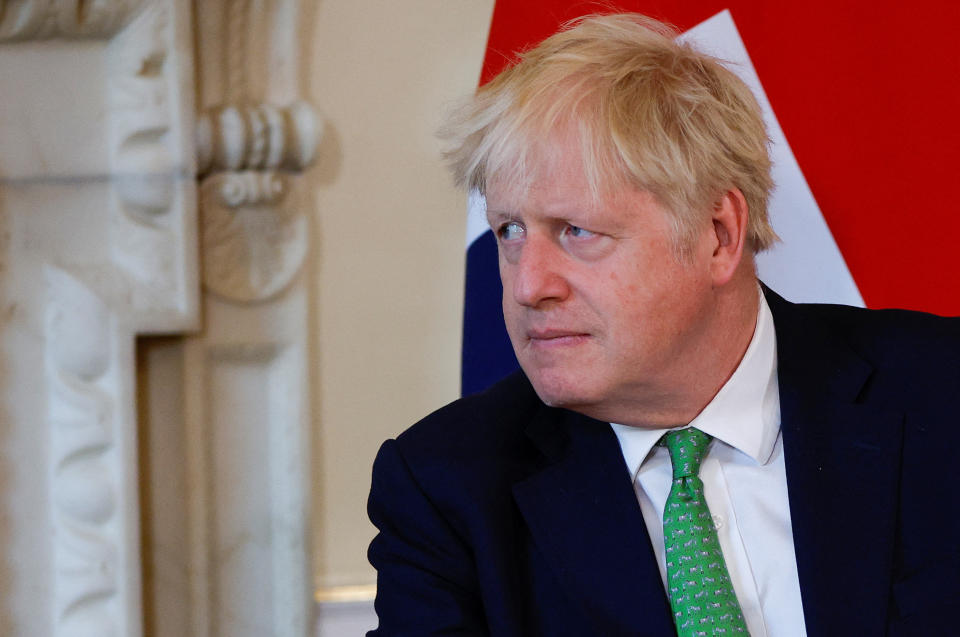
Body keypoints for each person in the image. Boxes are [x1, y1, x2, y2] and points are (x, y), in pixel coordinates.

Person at [366, 13, 960, 637]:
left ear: (718, 234)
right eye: (510, 231)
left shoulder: (940, 395)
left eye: (577, 231)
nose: (526, 284)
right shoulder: (448, 489)